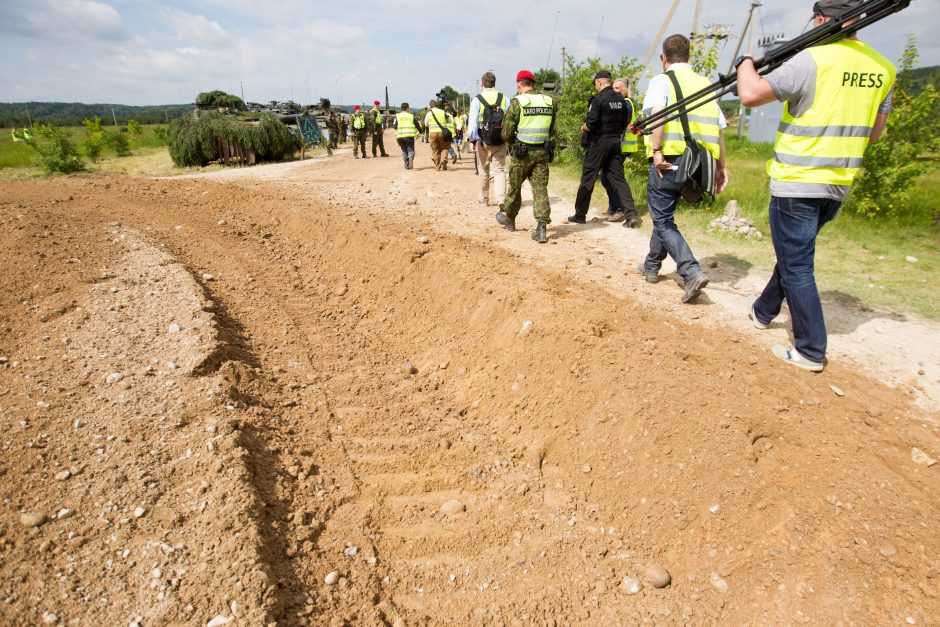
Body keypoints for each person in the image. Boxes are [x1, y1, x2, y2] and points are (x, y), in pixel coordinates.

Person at [736, 0, 895, 372]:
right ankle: (763, 311)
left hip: (797, 182)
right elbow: (874, 135)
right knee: (795, 255)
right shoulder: (883, 68)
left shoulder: (812, 60)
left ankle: (810, 348)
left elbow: (750, 95)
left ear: (823, 20)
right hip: (838, 182)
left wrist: (745, 63)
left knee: (798, 265)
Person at [640, 33, 729, 303]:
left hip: (671, 160)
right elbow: (720, 129)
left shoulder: (662, 80)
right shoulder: (706, 84)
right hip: (701, 165)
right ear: (688, 56)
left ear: (664, 59)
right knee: (662, 215)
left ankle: (690, 272)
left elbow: (659, 115)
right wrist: (722, 166)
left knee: (662, 218)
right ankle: (651, 266)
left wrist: (656, 151)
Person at [494, 69, 556, 244]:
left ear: (519, 85)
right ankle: (542, 228)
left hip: (522, 153)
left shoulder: (518, 102)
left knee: (515, 186)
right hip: (542, 152)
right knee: (540, 189)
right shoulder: (549, 101)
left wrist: (515, 144)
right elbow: (551, 128)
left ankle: (510, 219)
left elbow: (506, 133)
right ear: (534, 84)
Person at [566, 71, 633, 229]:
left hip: (599, 142)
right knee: (618, 179)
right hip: (616, 142)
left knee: (588, 177)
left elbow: (591, 123)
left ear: (600, 83)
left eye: (596, 84)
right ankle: (631, 215)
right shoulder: (621, 100)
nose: (596, 87)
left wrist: (584, 127)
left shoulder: (598, 99)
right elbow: (625, 121)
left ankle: (580, 215)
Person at [604, 77, 641, 227]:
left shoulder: (625, 104)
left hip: (621, 147)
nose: (615, 91)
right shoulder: (625, 103)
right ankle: (615, 207)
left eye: (618, 89)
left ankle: (623, 210)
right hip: (621, 147)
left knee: (615, 179)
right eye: (613, 88)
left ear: (626, 90)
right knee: (607, 178)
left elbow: (619, 124)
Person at [468, 71, 508, 207]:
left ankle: (484, 200)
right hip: (500, 140)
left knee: (484, 170)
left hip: (483, 140)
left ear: (482, 84)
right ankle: (501, 199)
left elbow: (472, 123)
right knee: (499, 170)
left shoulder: (477, 99)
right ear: (494, 84)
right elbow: (509, 120)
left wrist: (472, 141)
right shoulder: (504, 98)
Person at [424, 99, 454, 171]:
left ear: (430, 106)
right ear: (437, 105)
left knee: (435, 149)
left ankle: (437, 166)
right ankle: (444, 160)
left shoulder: (429, 113)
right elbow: (450, 120)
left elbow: (425, 124)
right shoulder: (442, 112)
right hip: (442, 132)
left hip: (433, 133)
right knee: (445, 147)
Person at [394, 102, 422, 170]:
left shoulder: (398, 116)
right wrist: (421, 131)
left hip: (400, 136)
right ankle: (410, 157)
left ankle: (406, 166)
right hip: (409, 136)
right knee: (411, 149)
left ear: (401, 108)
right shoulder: (411, 116)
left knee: (404, 151)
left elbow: (394, 126)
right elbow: (417, 125)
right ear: (407, 108)